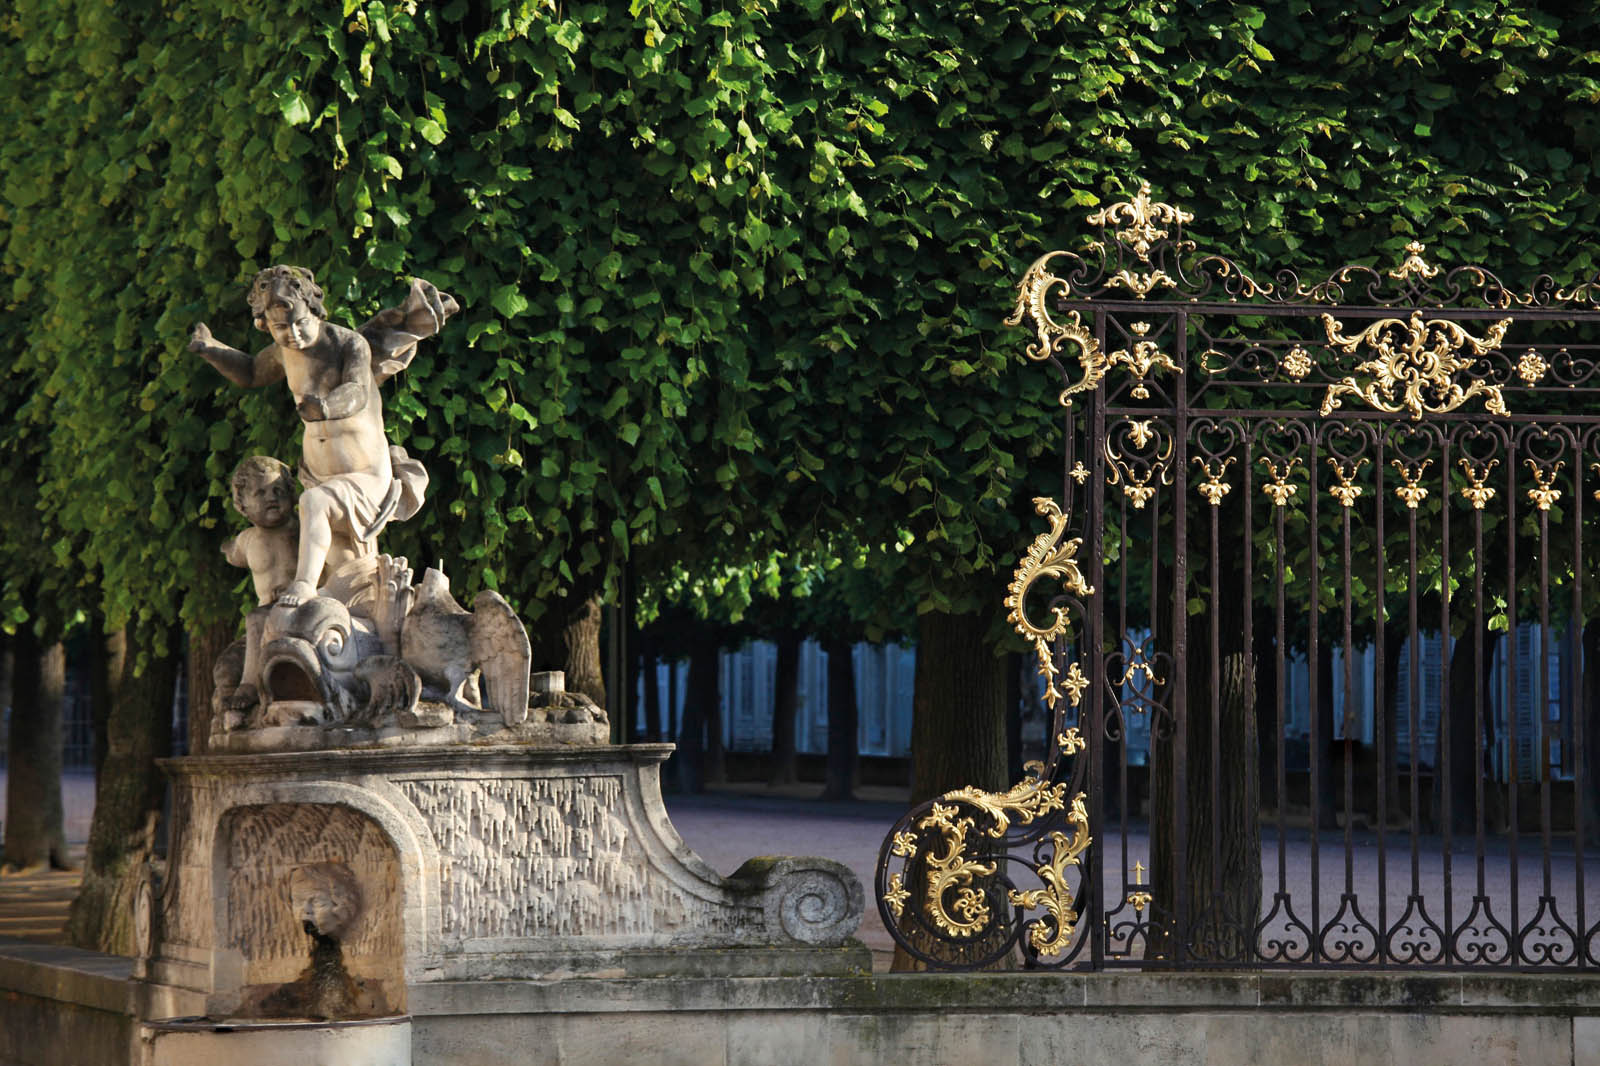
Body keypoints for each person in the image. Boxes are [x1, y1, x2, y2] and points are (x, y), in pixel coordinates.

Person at [191, 266, 430, 606]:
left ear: (314, 311)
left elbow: (357, 391)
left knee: (314, 504)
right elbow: (250, 372)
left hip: (365, 475)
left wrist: (326, 408)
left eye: (300, 324)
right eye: (280, 328)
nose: (294, 336)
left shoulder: (348, 343)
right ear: (266, 325)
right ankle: (337, 607)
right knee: (338, 560)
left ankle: (303, 587)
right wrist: (211, 349)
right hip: (319, 474)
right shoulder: (282, 352)